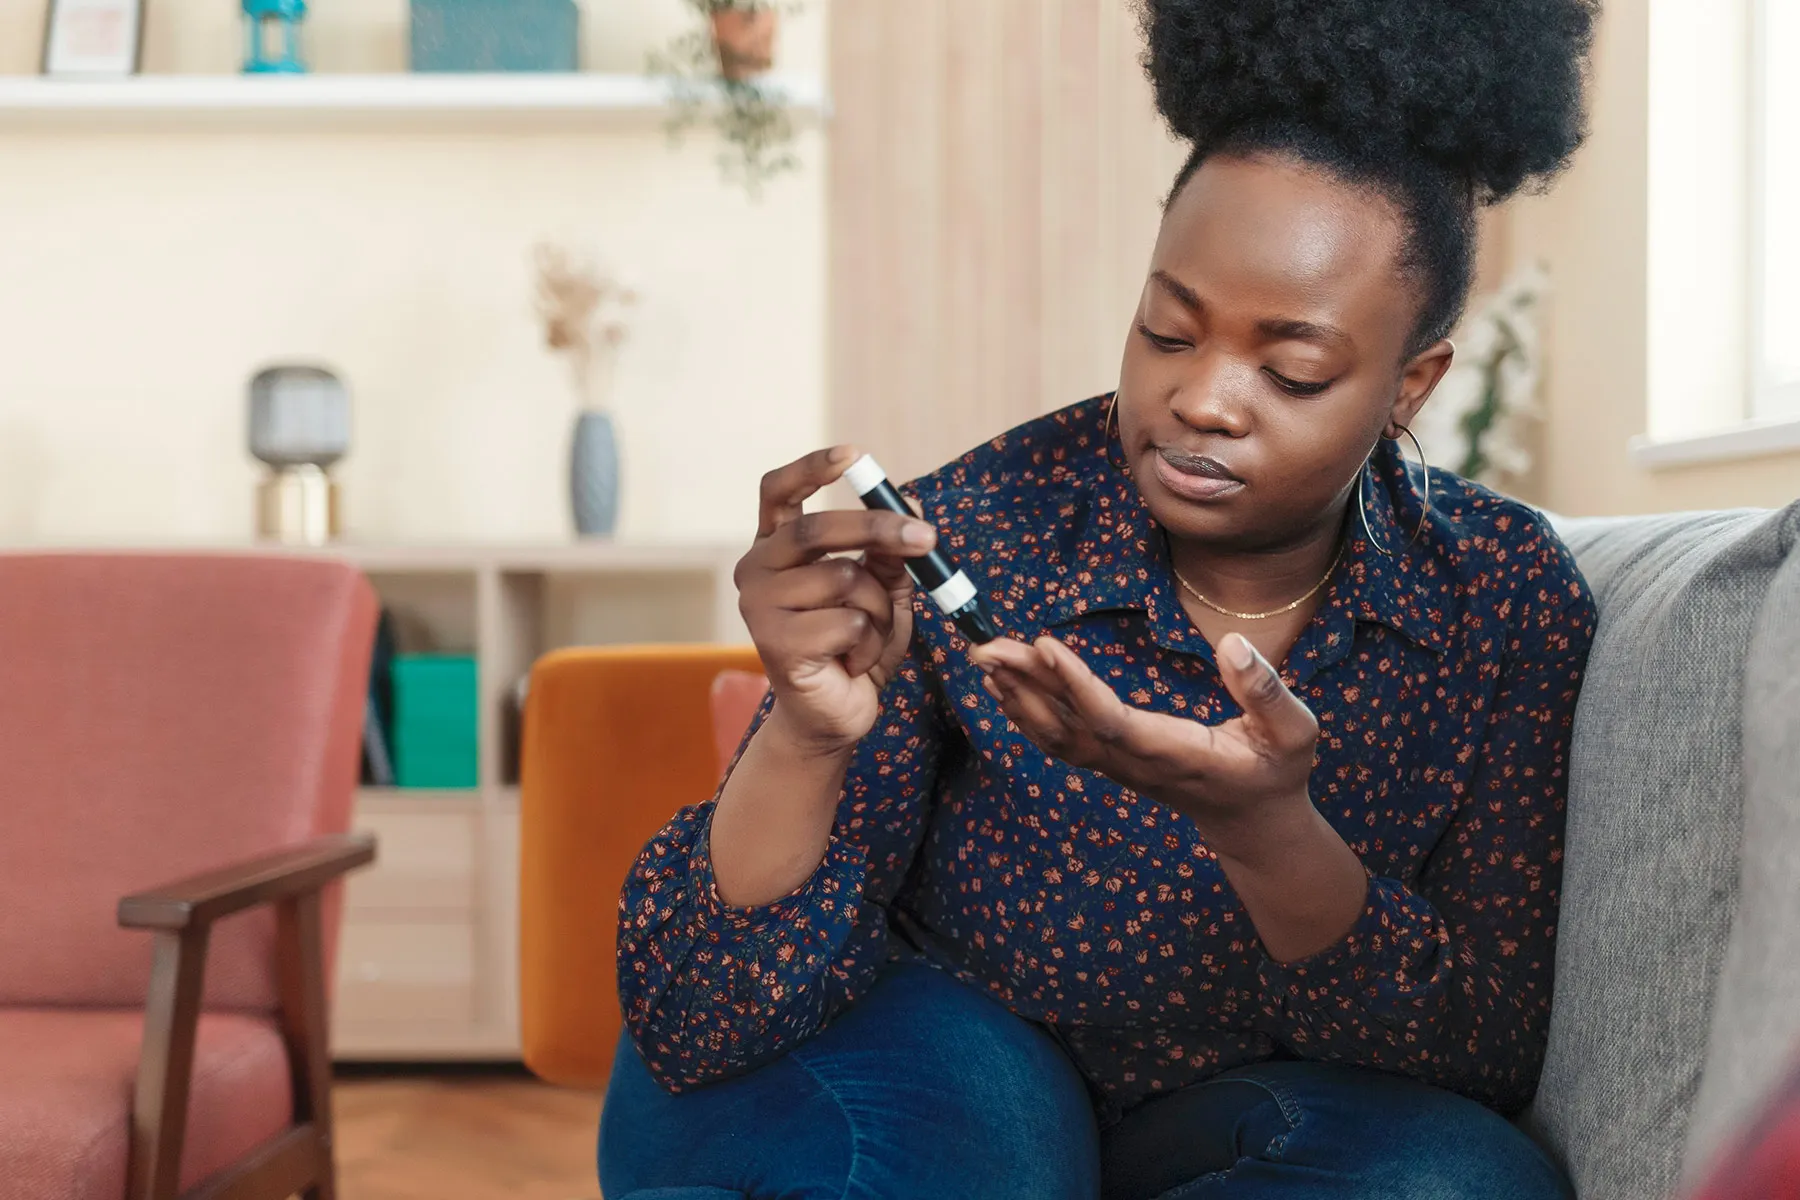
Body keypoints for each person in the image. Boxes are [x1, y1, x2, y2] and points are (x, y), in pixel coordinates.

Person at [601, 0, 1599, 1195]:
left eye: (1292, 371)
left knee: (1461, 1180)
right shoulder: (970, 532)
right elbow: (701, 1014)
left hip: (1231, 1109)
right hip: (933, 1055)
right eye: (1168, 333)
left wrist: (1267, 830)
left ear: (1408, 383)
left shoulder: (1502, 601)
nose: (1206, 401)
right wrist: (809, 737)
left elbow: (1478, 1047)